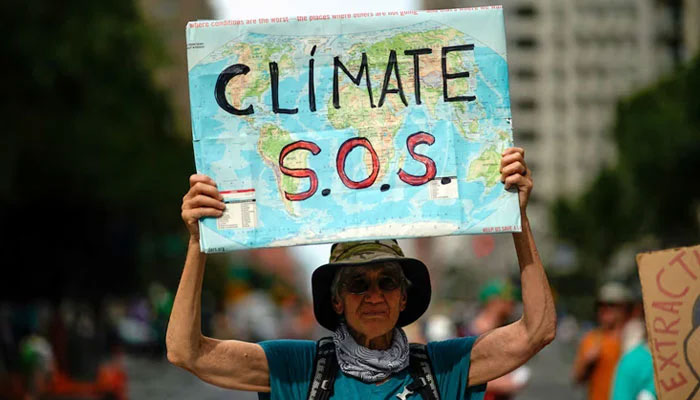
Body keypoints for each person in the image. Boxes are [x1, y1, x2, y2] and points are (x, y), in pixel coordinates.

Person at [166, 147, 556, 399]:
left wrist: (517, 217)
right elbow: (187, 352)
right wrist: (198, 243)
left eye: (387, 282)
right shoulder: (299, 369)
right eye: (357, 283)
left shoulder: (443, 368)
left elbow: (537, 331)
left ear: (404, 296)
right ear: (337, 299)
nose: (374, 295)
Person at [466, 280, 529, 400]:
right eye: (508, 300)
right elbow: (465, 375)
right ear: (493, 301)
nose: (512, 304)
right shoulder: (471, 334)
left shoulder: (502, 331)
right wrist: (508, 384)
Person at [572, 282, 632, 400]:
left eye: (611, 305)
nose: (605, 309)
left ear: (624, 308)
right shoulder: (592, 339)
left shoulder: (635, 338)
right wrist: (587, 363)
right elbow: (576, 378)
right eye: (601, 305)